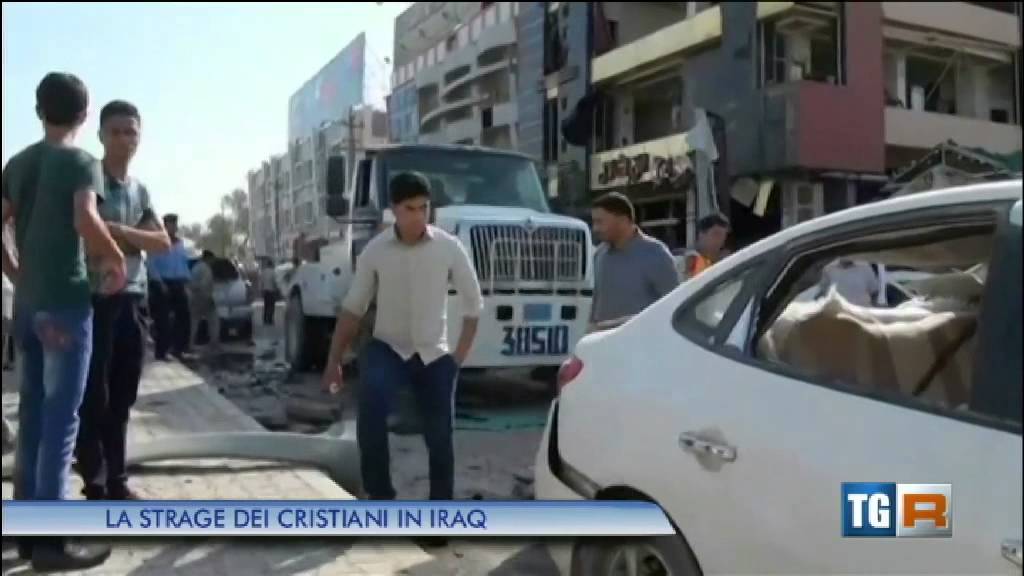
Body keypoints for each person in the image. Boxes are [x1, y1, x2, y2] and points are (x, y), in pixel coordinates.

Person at [1, 72, 126, 570]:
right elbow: (84, 218)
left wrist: (16, 271)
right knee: (60, 424)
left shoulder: (18, 163)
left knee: (32, 417)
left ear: (39, 110)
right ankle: (51, 543)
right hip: (66, 305)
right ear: (84, 114)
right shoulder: (81, 163)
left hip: (28, 306)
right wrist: (115, 257)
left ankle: (27, 532)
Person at [322, 172, 482, 513]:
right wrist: (334, 360)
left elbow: (474, 305)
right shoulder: (376, 251)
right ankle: (381, 500)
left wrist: (459, 357)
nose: (419, 216)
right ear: (394, 209)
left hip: (434, 352)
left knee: (440, 435)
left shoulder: (450, 247)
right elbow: (353, 309)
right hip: (388, 348)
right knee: (371, 410)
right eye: (410, 209)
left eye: (425, 208)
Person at [75, 100, 170, 502]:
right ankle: (94, 483)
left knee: (124, 394)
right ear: (100, 135)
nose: (124, 139)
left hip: (134, 300)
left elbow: (162, 242)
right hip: (96, 300)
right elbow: (86, 237)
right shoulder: (88, 181)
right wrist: (129, 237)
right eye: (116, 131)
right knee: (95, 396)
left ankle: (118, 479)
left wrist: (113, 230)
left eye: (131, 131)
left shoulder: (140, 189)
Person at [589, 192, 679, 330]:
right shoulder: (600, 254)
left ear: (623, 220)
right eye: (594, 222)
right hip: (604, 343)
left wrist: (622, 325)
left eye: (600, 222)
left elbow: (673, 306)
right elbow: (597, 304)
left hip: (641, 343)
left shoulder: (656, 254)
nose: (595, 229)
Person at [146, 213, 192, 360]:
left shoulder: (180, 243)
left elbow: (183, 264)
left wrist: (186, 282)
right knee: (163, 320)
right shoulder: (157, 241)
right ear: (165, 225)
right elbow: (151, 264)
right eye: (170, 224)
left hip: (178, 282)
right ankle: (162, 352)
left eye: (175, 224)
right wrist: (160, 283)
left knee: (184, 317)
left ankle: (180, 349)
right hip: (162, 283)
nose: (173, 227)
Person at [682, 213, 731, 280]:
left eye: (724, 236)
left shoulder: (716, 260)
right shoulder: (691, 259)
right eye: (716, 234)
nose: (720, 241)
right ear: (701, 234)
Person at [189, 250, 219, 351]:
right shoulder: (206, 269)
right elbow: (205, 284)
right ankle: (214, 343)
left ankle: (190, 343)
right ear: (208, 258)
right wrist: (208, 296)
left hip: (194, 296)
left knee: (194, 321)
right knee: (213, 320)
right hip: (204, 297)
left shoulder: (196, 267)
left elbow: (191, 283)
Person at [259, 258, 278, 326]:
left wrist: (261, 290)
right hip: (271, 291)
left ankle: (264, 319)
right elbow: (275, 282)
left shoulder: (263, 272)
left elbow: (261, 282)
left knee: (266, 305)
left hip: (265, 291)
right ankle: (270, 319)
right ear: (272, 265)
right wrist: (277, 289)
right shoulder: (273, 272)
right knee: (271, 306)